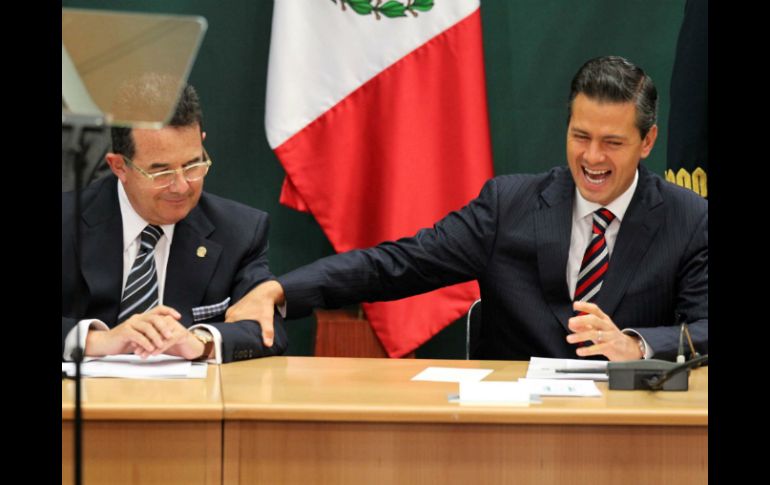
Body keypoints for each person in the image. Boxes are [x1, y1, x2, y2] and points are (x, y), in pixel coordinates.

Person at [226, 56, 707, 362]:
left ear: (647, 142)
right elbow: (397, 264)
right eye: (580, 137)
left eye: (612, 143)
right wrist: (282, 290)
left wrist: (639, 345)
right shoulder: (509, 206)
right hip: (510, 437)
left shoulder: (689, 219)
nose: (592, 158)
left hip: (632, 433)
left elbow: (705, 328)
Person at [62, 79, 287, 363]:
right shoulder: (68, 222)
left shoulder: (239, 232)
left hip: (192, 403)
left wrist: (200, 342)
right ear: (119, 166)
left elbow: (268, 330)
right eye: (161, 172)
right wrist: (99, 340)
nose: (181, 186)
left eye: (193, 165)